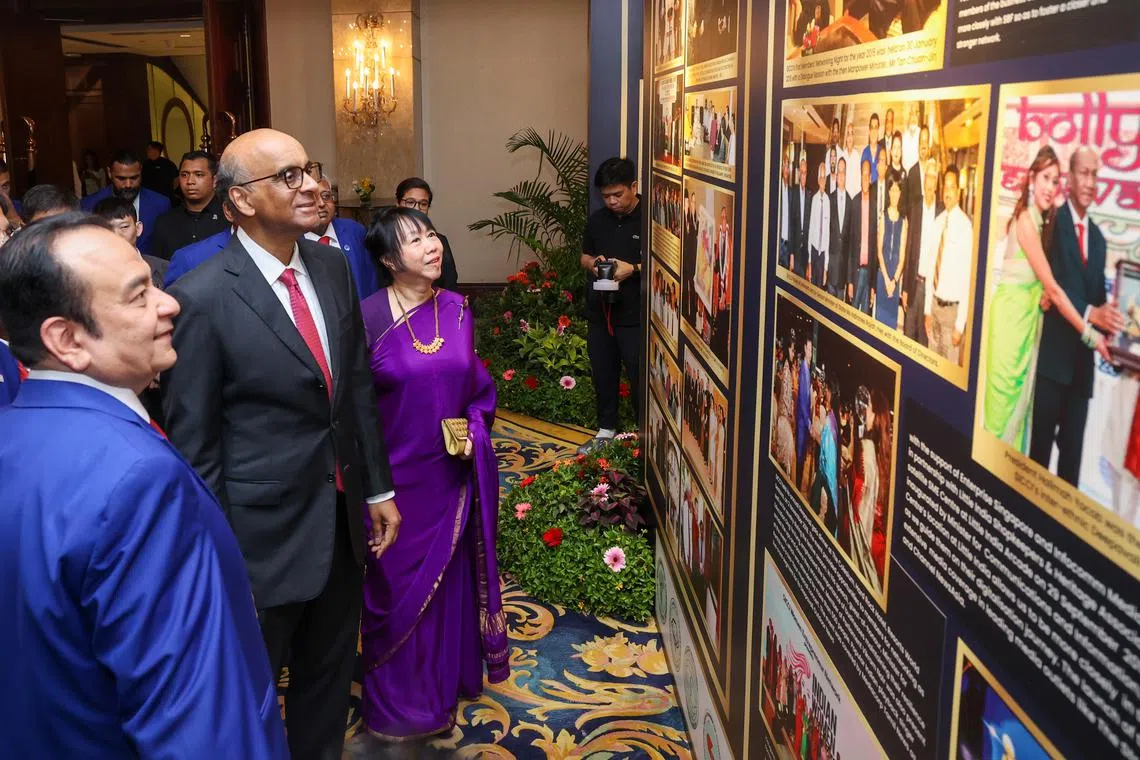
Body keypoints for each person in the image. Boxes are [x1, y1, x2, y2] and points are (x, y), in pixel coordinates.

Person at [0, 213, 287, 758]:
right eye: (139, 296)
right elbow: (195, 719)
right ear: (67, 338)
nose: (170, 303)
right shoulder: (139, 481)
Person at [161, 128, 401, 760]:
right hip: (257, 542)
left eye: (311, 170)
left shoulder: (330, 266)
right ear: (239, 200)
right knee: (250, 693)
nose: (313, 186)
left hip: (341, 524)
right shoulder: (202, 296)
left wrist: (375, 486)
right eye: (288, 176)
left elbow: (353, 388)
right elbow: (196, 445)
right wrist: (218, 555)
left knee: (326, 685)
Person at [350, 206, 508, 746]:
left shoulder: (461, 310)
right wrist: (373, 486)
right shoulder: (367, 317)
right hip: (392, 485)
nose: (431, 245)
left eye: (431, 234)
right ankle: (397, 702)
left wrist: (473, 427)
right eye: (414, 241)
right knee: (394, 589)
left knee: (447, 587)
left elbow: (479, 389)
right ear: (391, 260)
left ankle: (442, 688)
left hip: (450, 476)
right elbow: (355, 408)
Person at [983, 146, 1109, 453]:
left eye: (1056, 181)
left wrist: (1042, 296)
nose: (1051, 187)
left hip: (1027, 330)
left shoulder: (1043, 224)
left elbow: (1045, 289)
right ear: (1031, 178)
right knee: (1000, 414)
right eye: (1046, 178)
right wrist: (1090, 335)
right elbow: (1053, 288)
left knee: (1018, 415)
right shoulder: (1026, 221)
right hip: (1011, 328)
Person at [1029, 146, 1123, 483]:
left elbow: (1097, 299)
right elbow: (1052, 289)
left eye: (1095, 174)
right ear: (1068, 177)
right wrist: (1091, 312)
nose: (1090, 181)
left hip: (1081, 375)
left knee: (1070, 474)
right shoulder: (1052, 221)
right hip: (1052, 368)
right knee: (1036, 462)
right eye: (1084, 172)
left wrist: (1118, 331)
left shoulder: (1098, 239)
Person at [579, 157, 643, 452]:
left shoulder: (649, 218)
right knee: (603, 371)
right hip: (600, 311)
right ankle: (606, 428)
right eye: (606, 197)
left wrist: (634, 268)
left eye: (618, 195)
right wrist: (595, 265)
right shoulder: (597, 220)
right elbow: (584, 256)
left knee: (638, 372)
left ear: (633, 187)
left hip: (635, 315)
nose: (612, 201)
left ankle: (644, 431)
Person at [924, 166, 974, 363]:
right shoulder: (938, 222)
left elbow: (967, 281)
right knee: (931, 370)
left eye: (952, 187)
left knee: (948, 375)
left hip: (951, 315)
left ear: (959, 192)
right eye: (945, 187)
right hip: (934, 309)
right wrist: (927, 310)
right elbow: (930, 269)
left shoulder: (965, 227)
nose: (947, 192)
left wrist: (960, 325)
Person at [81, 150, 172, 255]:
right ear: (109, 173)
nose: (128, 184)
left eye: (134, 178)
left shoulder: (161, 204)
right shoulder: (88, 205)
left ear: (141, 172)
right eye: (121, 178)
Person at [304, 177, 380, 300]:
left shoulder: (354, 230)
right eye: (312, 197)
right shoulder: (292, 242)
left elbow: (371, 279)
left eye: (326, 196)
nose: (321, 203)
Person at [149, 150, 229, 261]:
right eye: (184, 175)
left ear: (214, 180)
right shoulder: (164, 222)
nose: (190, 181)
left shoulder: (230, 218)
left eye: (199, 175)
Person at [392, 176, 460, 289]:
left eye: (423, 204)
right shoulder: (387, 239)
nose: (417, 208)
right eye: (410, 202)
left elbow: (450, 282)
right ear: (398, 204)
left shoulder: (439, 241)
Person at [92, 196, 168, 288]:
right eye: (108, 228)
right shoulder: (88, 275)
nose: (117, 235)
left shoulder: (165, 268)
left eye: (124, 227)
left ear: (138, 228)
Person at [875, 168, 907, 328]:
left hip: (895, 279)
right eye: (892, 190)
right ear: (888, 192)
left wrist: (894, 281)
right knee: (879, 325)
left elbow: (902, 257)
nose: (895, 194)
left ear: (901, 193)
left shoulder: (904, 221)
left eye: (897, 190)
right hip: (882, 277)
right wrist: (887, 280)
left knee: (891, 325)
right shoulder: (883, 217)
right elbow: (879, 252)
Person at [848, 158, 877, 313]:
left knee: (865, 320)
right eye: (862, 175)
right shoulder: (854, 202)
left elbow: (874, 246)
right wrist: (850, 281)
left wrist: (873, 286)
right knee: (852, 316)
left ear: (871, 178)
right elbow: (851, 245)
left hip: (869, 272)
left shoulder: (874, 204)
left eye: (867, 175)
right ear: (860, 177)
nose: (865, 179)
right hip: (857, 272)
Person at [828, 156, 852, 299]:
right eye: (839, 171)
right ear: (836, 176)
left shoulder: (850, 202)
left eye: (844, 172)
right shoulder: (829, 199)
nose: (841, 175)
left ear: (846, 176)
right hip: (831, 265)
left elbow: (849, 241)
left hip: (843, 269)